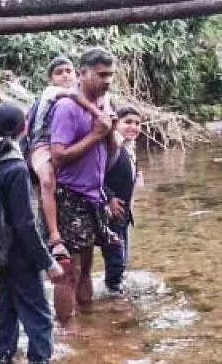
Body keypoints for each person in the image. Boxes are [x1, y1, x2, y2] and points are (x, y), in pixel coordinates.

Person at [0, 102, 65, 364]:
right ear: (26, 127)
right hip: (19, 252)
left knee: (6, 309)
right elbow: (24, 224)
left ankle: (3, 355)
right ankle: (40, 359)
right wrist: (47, 261)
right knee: (39, 315)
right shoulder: (17, 167)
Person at [46, 47, 116, 329]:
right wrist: (96, 135)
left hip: (93, 196)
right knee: (68, 272)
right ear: (83, 73)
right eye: (101, 75)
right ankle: (67, 335)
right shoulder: (67, 108)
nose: (107, 80)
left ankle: (87, 326)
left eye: (110, 75)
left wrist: (108, 136)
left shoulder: (103, 104)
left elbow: (108, 153)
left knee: (87, 267)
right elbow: (58, 156)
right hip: (69, 196)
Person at [29, 56, 105, 262]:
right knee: (47, 181)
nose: (65, 75)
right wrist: (99, 115)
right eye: (59, 72)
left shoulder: (76, 98)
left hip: (58, 141)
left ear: (76, 74)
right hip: (42, 143)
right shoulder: (54, 93)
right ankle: (54, 236)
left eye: (68, 71)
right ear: (50, 79)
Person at [101, 106, 143, 295]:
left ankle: (116, 289)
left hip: (123, 214)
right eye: (128, 122)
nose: (133, 127)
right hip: (110, 212)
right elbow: (94, 176)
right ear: (115, 123)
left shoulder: (129, 148)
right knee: (116, 257)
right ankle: (113, 297)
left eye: (137, 123)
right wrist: (109, 198)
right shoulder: (111, 147)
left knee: (122, 257)